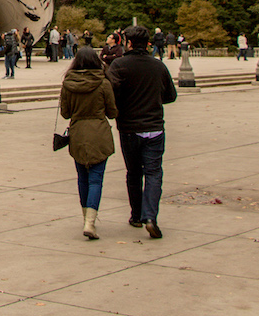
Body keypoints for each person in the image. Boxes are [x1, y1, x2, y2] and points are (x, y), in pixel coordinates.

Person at [106, 25, 177, 240]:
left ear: (127, 42)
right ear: (147, 43)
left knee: (134, 173)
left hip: (129, 127)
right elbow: (170, 96)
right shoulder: (158, 66)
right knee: (154, 172)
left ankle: (136, 215)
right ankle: (150, 216)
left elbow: (110, 93)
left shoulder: (119, 65)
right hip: (154, 127)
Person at [59, 46, 118, 241]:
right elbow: (112, 112)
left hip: (77, 134)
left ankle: (85, 217)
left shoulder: (68, 83)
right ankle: (90, 221)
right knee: (96, 179)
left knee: (82, 178)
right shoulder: (103, 83)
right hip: (99, 133)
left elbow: (65, 113)